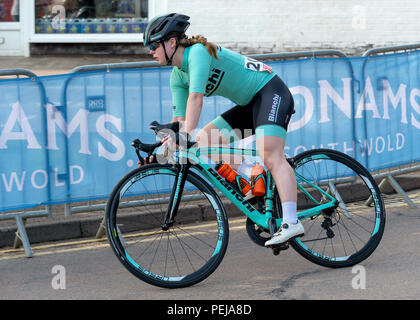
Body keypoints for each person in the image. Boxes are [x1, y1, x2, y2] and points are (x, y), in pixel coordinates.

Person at [143, 13, 304, 246]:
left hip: (271, 92)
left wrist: (184, 135)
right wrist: (162, 149)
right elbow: (179, 121)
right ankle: (255, 174)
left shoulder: (197, 53)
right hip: (250, 105)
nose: (151, 51)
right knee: (205, 142)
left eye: (154, 45)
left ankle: (291, 221)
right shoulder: (177, 76)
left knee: (271, 154)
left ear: (171, 42)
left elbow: (196, 98)